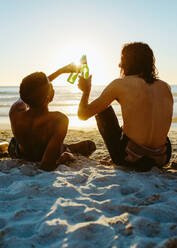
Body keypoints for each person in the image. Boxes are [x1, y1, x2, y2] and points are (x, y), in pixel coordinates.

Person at [77, 42, 173, 171]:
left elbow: (83, 115)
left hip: (129, 158)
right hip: (162, 158)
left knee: (103, 111)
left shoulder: (119, 84)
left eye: (121, 59)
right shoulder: (165, 86)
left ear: (128, 62)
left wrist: (86, 91)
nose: (119, 65)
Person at [8, 64, 96, 171]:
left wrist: (60, 71)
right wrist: (67, 157)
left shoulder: (15, 110)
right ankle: (69, 149)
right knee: (87, 146)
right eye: (50, 86)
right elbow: (46, 166)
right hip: (44, 154)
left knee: (15, 143)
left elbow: (31, 91)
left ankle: (67, 147)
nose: (51, 85)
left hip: (19, 153)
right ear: (49, 96)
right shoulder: (59, 120)